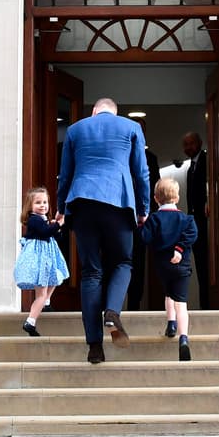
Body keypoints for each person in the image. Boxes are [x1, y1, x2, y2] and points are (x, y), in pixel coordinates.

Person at [55, 97, 151, 364]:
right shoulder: (131, 128)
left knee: (90, 272)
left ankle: (94, 346)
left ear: (95, 111)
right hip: (118, 202)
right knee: (122, 262)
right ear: (114, 111)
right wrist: (143, 208)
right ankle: (112, 311)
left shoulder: (75, 129)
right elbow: (141, 173)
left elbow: (65, 174)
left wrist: (61, 207)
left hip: (82, 202)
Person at [139, 177, 198, 361]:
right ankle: (183, 338)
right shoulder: (186, 220)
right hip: (181, 267)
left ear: (156, 198)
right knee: (181, 302)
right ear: (177, 198)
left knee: (168, 294)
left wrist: (142, 223)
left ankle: (171, 324)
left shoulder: (155, 219)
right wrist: (180, 249)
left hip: (163, 266)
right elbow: (192, 234)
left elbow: (144, 238)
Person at [13, 186, 69, 336]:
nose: (43, 205)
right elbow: (45, 232)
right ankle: (30, 321)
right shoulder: (34, 220)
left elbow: (56, 237)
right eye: (38, 202)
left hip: (48, 259)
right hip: (40, 260)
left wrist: (56, 227)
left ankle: (46, 303)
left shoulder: (43, 220)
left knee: (56, 278)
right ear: (30, 206)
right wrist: (57, 224)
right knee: (41, 294)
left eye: (45, 202)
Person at [125, 146, 161, 312]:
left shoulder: (151, 158)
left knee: (138, 264)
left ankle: (134, 306)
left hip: (142, 220)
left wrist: (149, 213)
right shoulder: (120, 152)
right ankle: (110, 308)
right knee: (116, 262)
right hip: (120, 217)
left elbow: (155, 186)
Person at [182, 131, 210, 310]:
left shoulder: (207, 161)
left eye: (191, 143)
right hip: (195, 222)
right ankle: (204, 304)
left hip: (206, 221)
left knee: (206, 264)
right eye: (185, 145)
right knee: (199, 263)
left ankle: (208, 305)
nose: (188, 148)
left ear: (199, 143)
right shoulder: (190, 166)